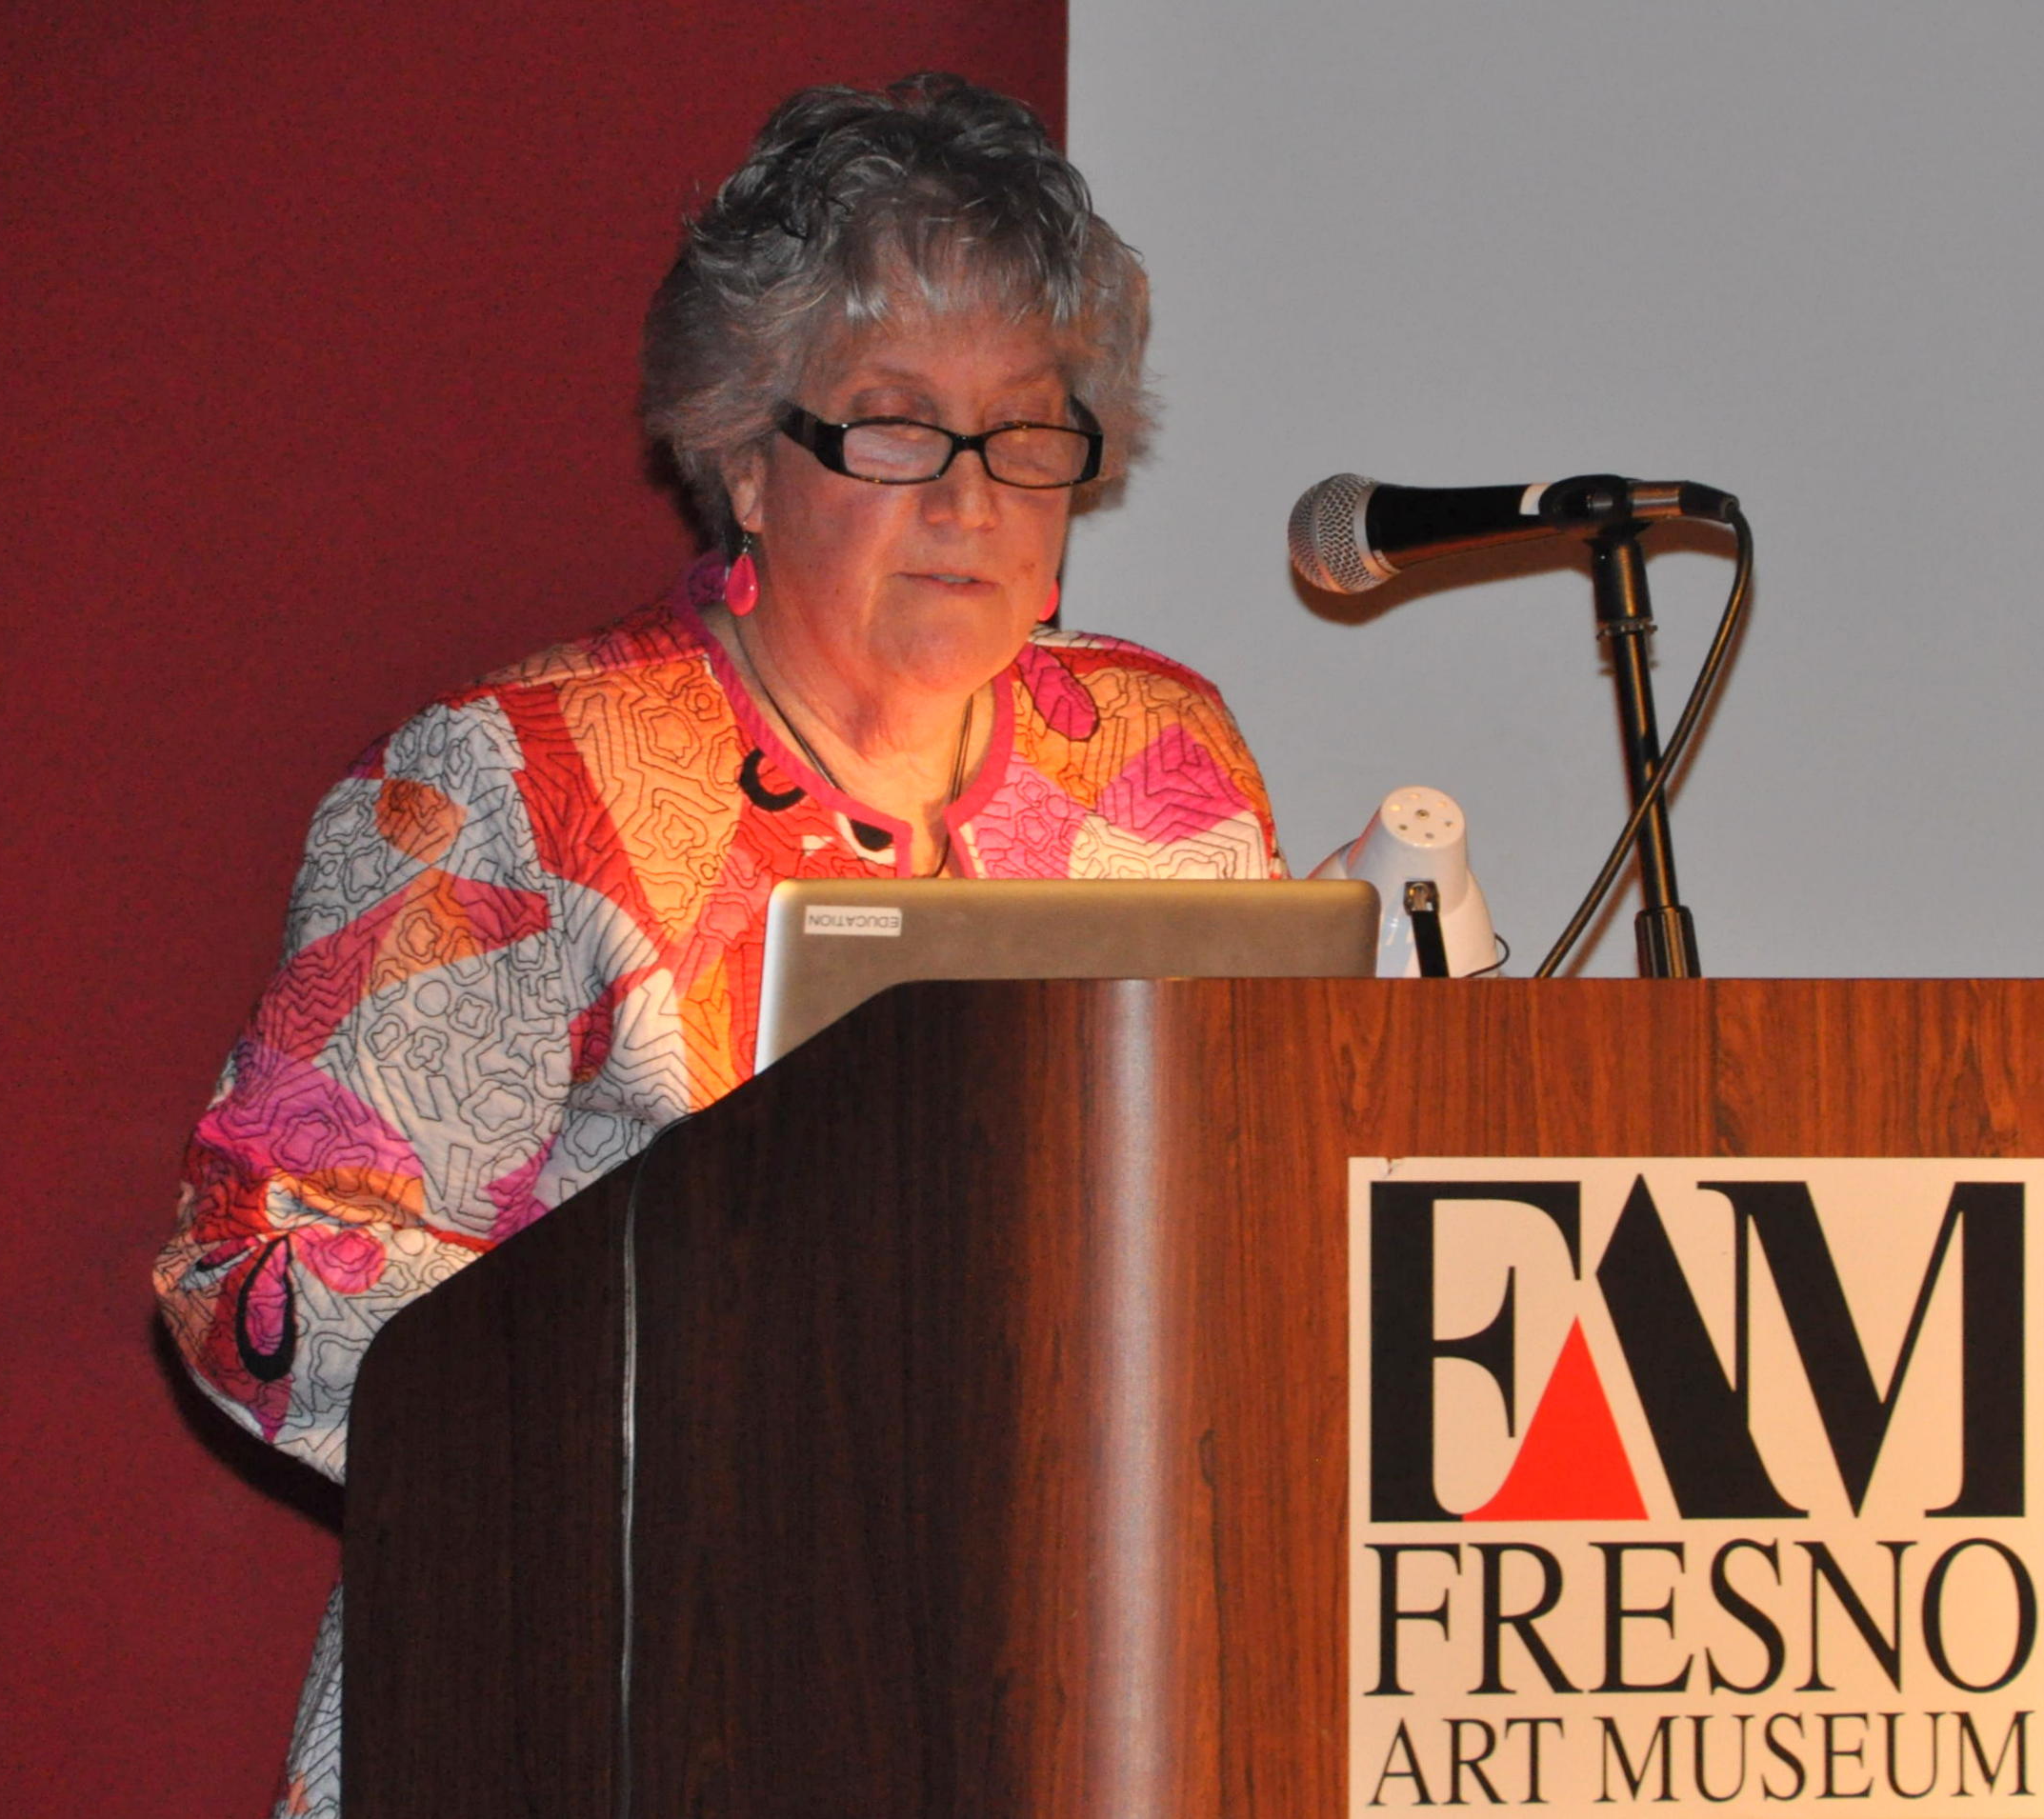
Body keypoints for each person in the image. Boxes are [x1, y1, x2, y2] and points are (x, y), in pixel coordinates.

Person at [151, 74, 1284, 1817]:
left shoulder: (1162, 763)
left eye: (1027, 432)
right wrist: (679, 1398)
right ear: (747, 459)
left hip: (1044, 1694)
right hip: (592, 1688)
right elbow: (257, 1266)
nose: (973, 500)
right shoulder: (516, 786)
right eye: (896, 430)